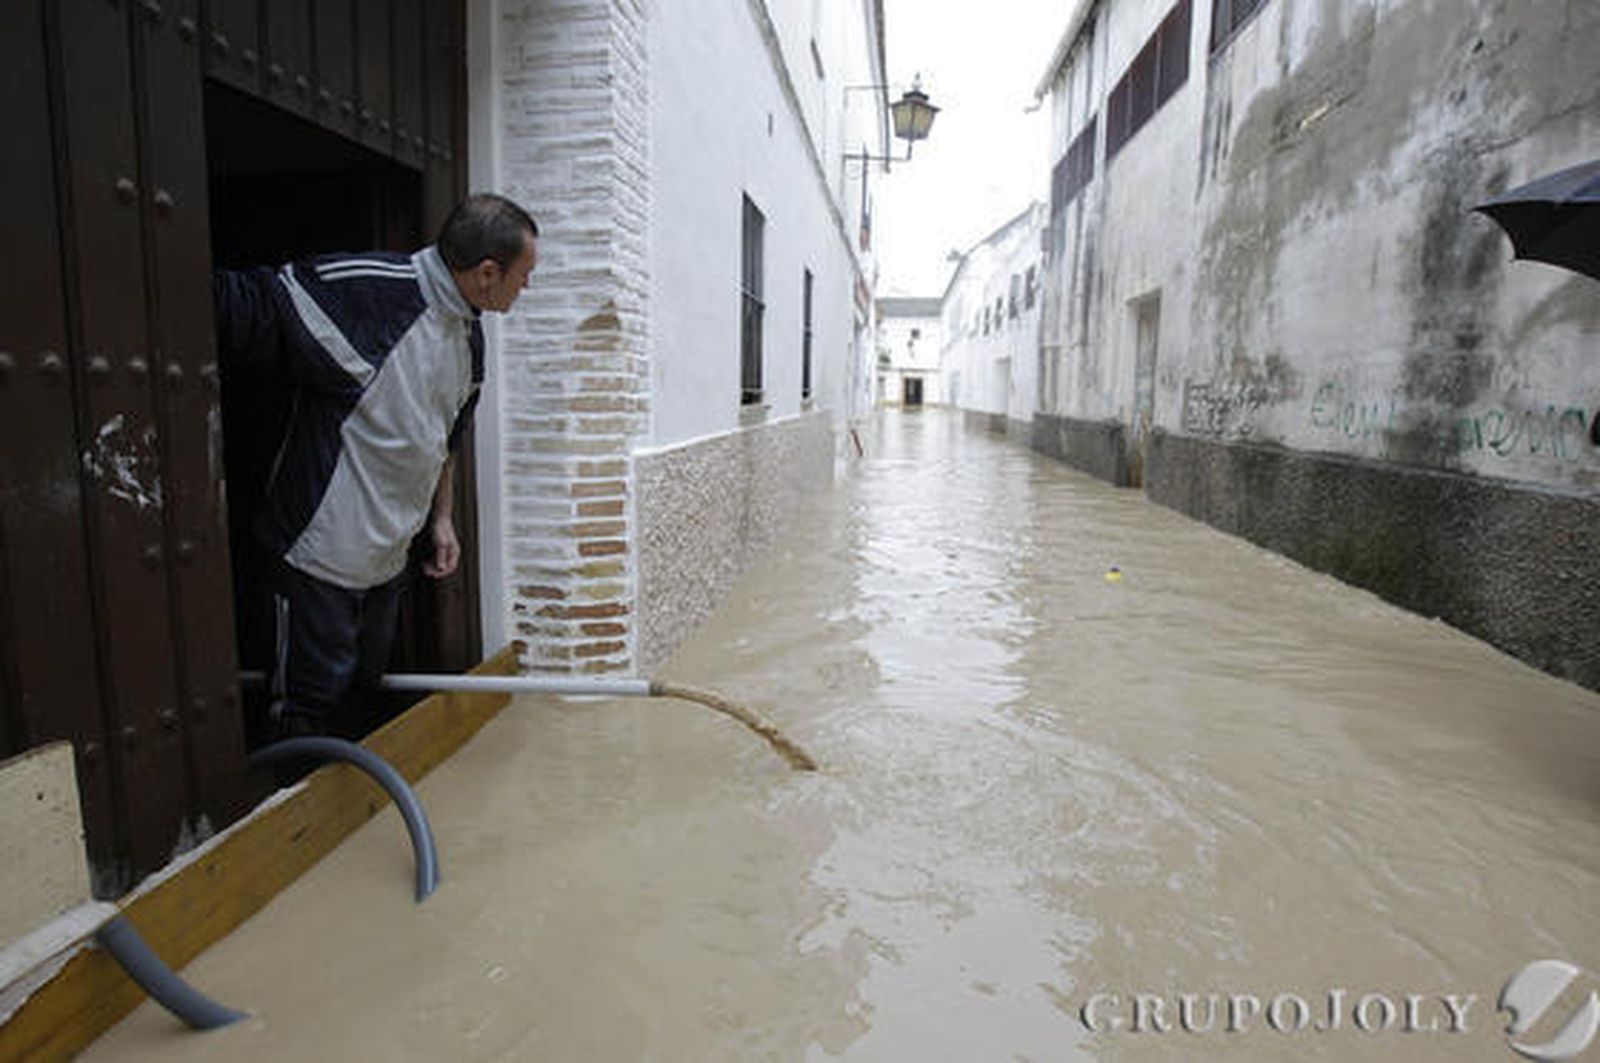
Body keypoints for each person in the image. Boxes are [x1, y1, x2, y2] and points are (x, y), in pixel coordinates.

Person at [213, 193, 539, 741]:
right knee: (304, 716)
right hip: (316, 560)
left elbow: (446, 435)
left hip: (386, 561)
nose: (526, 287)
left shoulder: (468, 334)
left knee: (360, 700)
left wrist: (442, 518)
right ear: (487, 273)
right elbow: (236, 303)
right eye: (524, 275)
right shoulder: (367, 293)